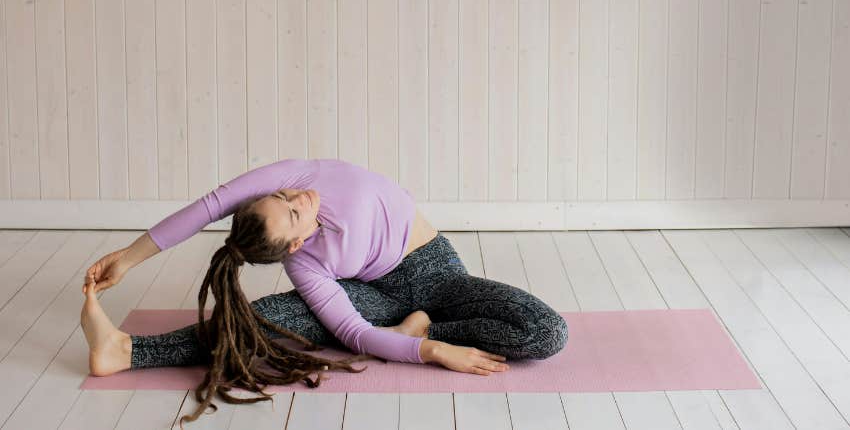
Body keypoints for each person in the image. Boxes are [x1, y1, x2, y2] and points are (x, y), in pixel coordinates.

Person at [80, 157, 568, 426]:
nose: (298, 198)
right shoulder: (306, 265)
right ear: (294, 242)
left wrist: (125, 258)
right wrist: (432, 350)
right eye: (293, 211)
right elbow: (354, 333)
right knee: (275, 317)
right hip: (372, 298)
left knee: (547, 332)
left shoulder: (294, 176)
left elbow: (208, 206)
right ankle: (128, 350)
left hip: (439, 276)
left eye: (284, 197)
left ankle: (409, 326)